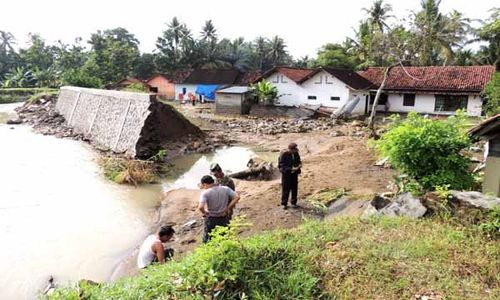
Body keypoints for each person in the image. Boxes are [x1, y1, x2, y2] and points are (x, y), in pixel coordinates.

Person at [198, 175, 240, 243]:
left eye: (203, 186)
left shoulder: (205, 193)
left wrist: (205, 213)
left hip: (212, 219)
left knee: (209, 238)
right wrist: (227, 208)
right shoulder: (225, 189)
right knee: (225, 236)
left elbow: (200, 207)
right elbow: (237, 197)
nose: (204, 188)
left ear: (205, 184)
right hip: (224, 217)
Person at [278, 142, 302, 209]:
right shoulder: (284, 154)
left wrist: (299, 165)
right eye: (294, 150)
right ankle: (284, 203)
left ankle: (293, 203)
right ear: (290, 149)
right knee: (286, 189)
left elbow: (299, 160)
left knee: (294, 188)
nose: (295, 151)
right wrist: (291, 168)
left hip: (294, 174)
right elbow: (281, 166)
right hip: (286, 175)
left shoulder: (296, 153)